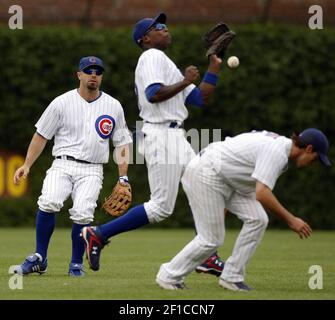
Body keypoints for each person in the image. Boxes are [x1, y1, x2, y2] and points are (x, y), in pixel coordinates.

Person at [81, 12, 224, 276]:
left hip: (176, 136)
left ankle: (207, 256)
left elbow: (200, 99)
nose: (166, 29)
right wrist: (186, 80)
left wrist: (213, 66)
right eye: (159, 27)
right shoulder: (150, 57)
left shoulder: (163, 60)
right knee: (161, 207)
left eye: (166, 25)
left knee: (202, 185)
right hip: (160, 135)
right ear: (145, 38)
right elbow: (154, 94)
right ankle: (98, 233)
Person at [155, 128, 331, 290]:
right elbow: (262, 193)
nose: (312, 163)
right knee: (211, 239)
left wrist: (224, 207)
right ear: (308, 149)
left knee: (258, 219)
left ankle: (231, 276)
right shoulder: (277, 152)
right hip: (206, 173)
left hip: (224, 179)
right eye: (315, 158)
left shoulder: (280, 148)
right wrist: (292, 220)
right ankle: (169, 276)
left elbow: (244, 175)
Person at [13, 56, 133, 277]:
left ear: (101, 76)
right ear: (79, 74)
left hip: (92, 169)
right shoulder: (61, 102)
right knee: (49, 201)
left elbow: (122, 143)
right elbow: (41, 135)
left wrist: (123, 177)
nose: (94, 74)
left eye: (98, 71)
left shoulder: (113, 106)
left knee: (83, 212)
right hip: (62, 164)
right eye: (89, 70)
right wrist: (27, 164)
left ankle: (76, 263)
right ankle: (40, 257)